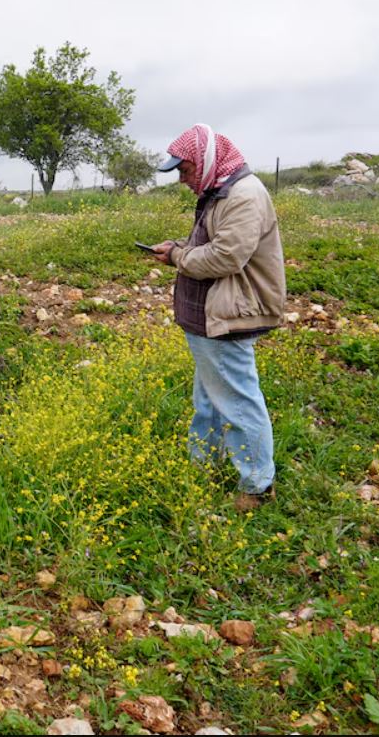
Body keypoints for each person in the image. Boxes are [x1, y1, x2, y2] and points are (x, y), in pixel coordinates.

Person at [149, 124, 286, 512]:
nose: (182, 180)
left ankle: (258, 485)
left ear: (206, 160)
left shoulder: (243, 195)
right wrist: (178, 246)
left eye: (184, 170)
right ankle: (204, 463)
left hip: (229, 314)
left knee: (238, 400)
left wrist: (177, 256)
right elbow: (210, 243)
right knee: (209, 397)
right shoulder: (220, 191)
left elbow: (226, 257)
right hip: (212, 314)